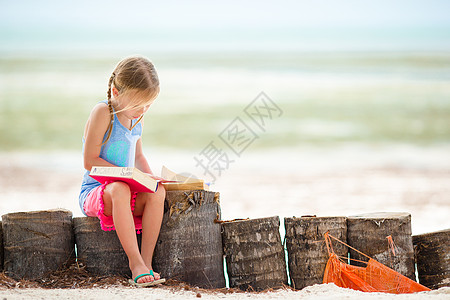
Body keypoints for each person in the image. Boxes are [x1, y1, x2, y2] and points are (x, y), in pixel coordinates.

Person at [79, 56, 166, 286]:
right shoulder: (103, 112)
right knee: (119, 188)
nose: (143, 110)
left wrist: (149, 178)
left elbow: (138, 157)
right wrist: (124, 174)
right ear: (116, 92)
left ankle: (146, 262)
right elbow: (89, 161)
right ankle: (134, 262)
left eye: (148, 104)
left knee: (157, 192)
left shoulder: (137, 119)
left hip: (125, 189)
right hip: (97, 192)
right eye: (138, 104)